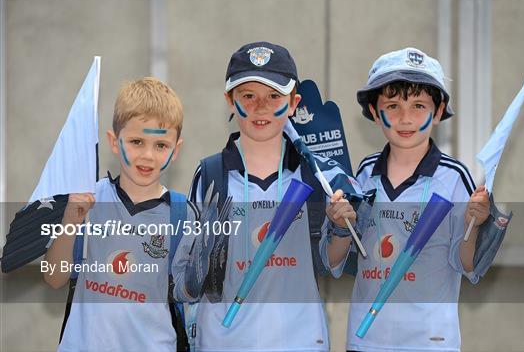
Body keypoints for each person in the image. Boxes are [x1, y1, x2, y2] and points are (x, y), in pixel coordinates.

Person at [173, 41, 356, 351]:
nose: (261, 107)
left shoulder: (318, 177)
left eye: (274, 96)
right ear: (230, 100)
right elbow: (186, 280)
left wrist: (340, 228)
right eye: (248, 96)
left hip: (300, 341)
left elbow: (331, 262)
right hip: (222, 342)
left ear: (294, 102)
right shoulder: (210, 174)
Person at [345, 47, 491, 351]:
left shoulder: (455, 177)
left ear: (438, 112)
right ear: (374, 111)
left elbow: (467, 264)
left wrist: (474, 224)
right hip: (365, 341)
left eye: (419, 106)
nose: (406, 118)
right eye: (393, 106)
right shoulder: (364, 173)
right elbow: (345, 254)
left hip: (431, 341)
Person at [43, 77, 196, 351]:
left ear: (176, 151)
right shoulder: (86, 200)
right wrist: (69, 222)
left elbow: (190, 296)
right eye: (137, 141)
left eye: (160, 145)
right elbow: (54, 278)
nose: (148, 155)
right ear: (115, 142)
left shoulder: (184, 215)